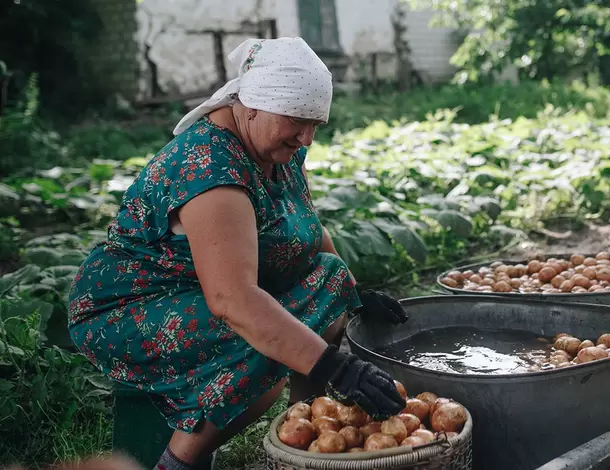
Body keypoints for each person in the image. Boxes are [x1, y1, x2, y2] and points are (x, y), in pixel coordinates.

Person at [67, 37, 409, 470]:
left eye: (316, 123)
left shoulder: (278, 147)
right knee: (266, 345)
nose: (306, 136)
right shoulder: (209, 169)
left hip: (200, 293)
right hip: (128, 309)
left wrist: (356, 295)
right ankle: (176, 464)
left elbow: (307, 225)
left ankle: (310, 437)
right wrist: (333, 367)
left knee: (331, 277)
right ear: (251, 106)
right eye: (297, 121)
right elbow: (234, 301)